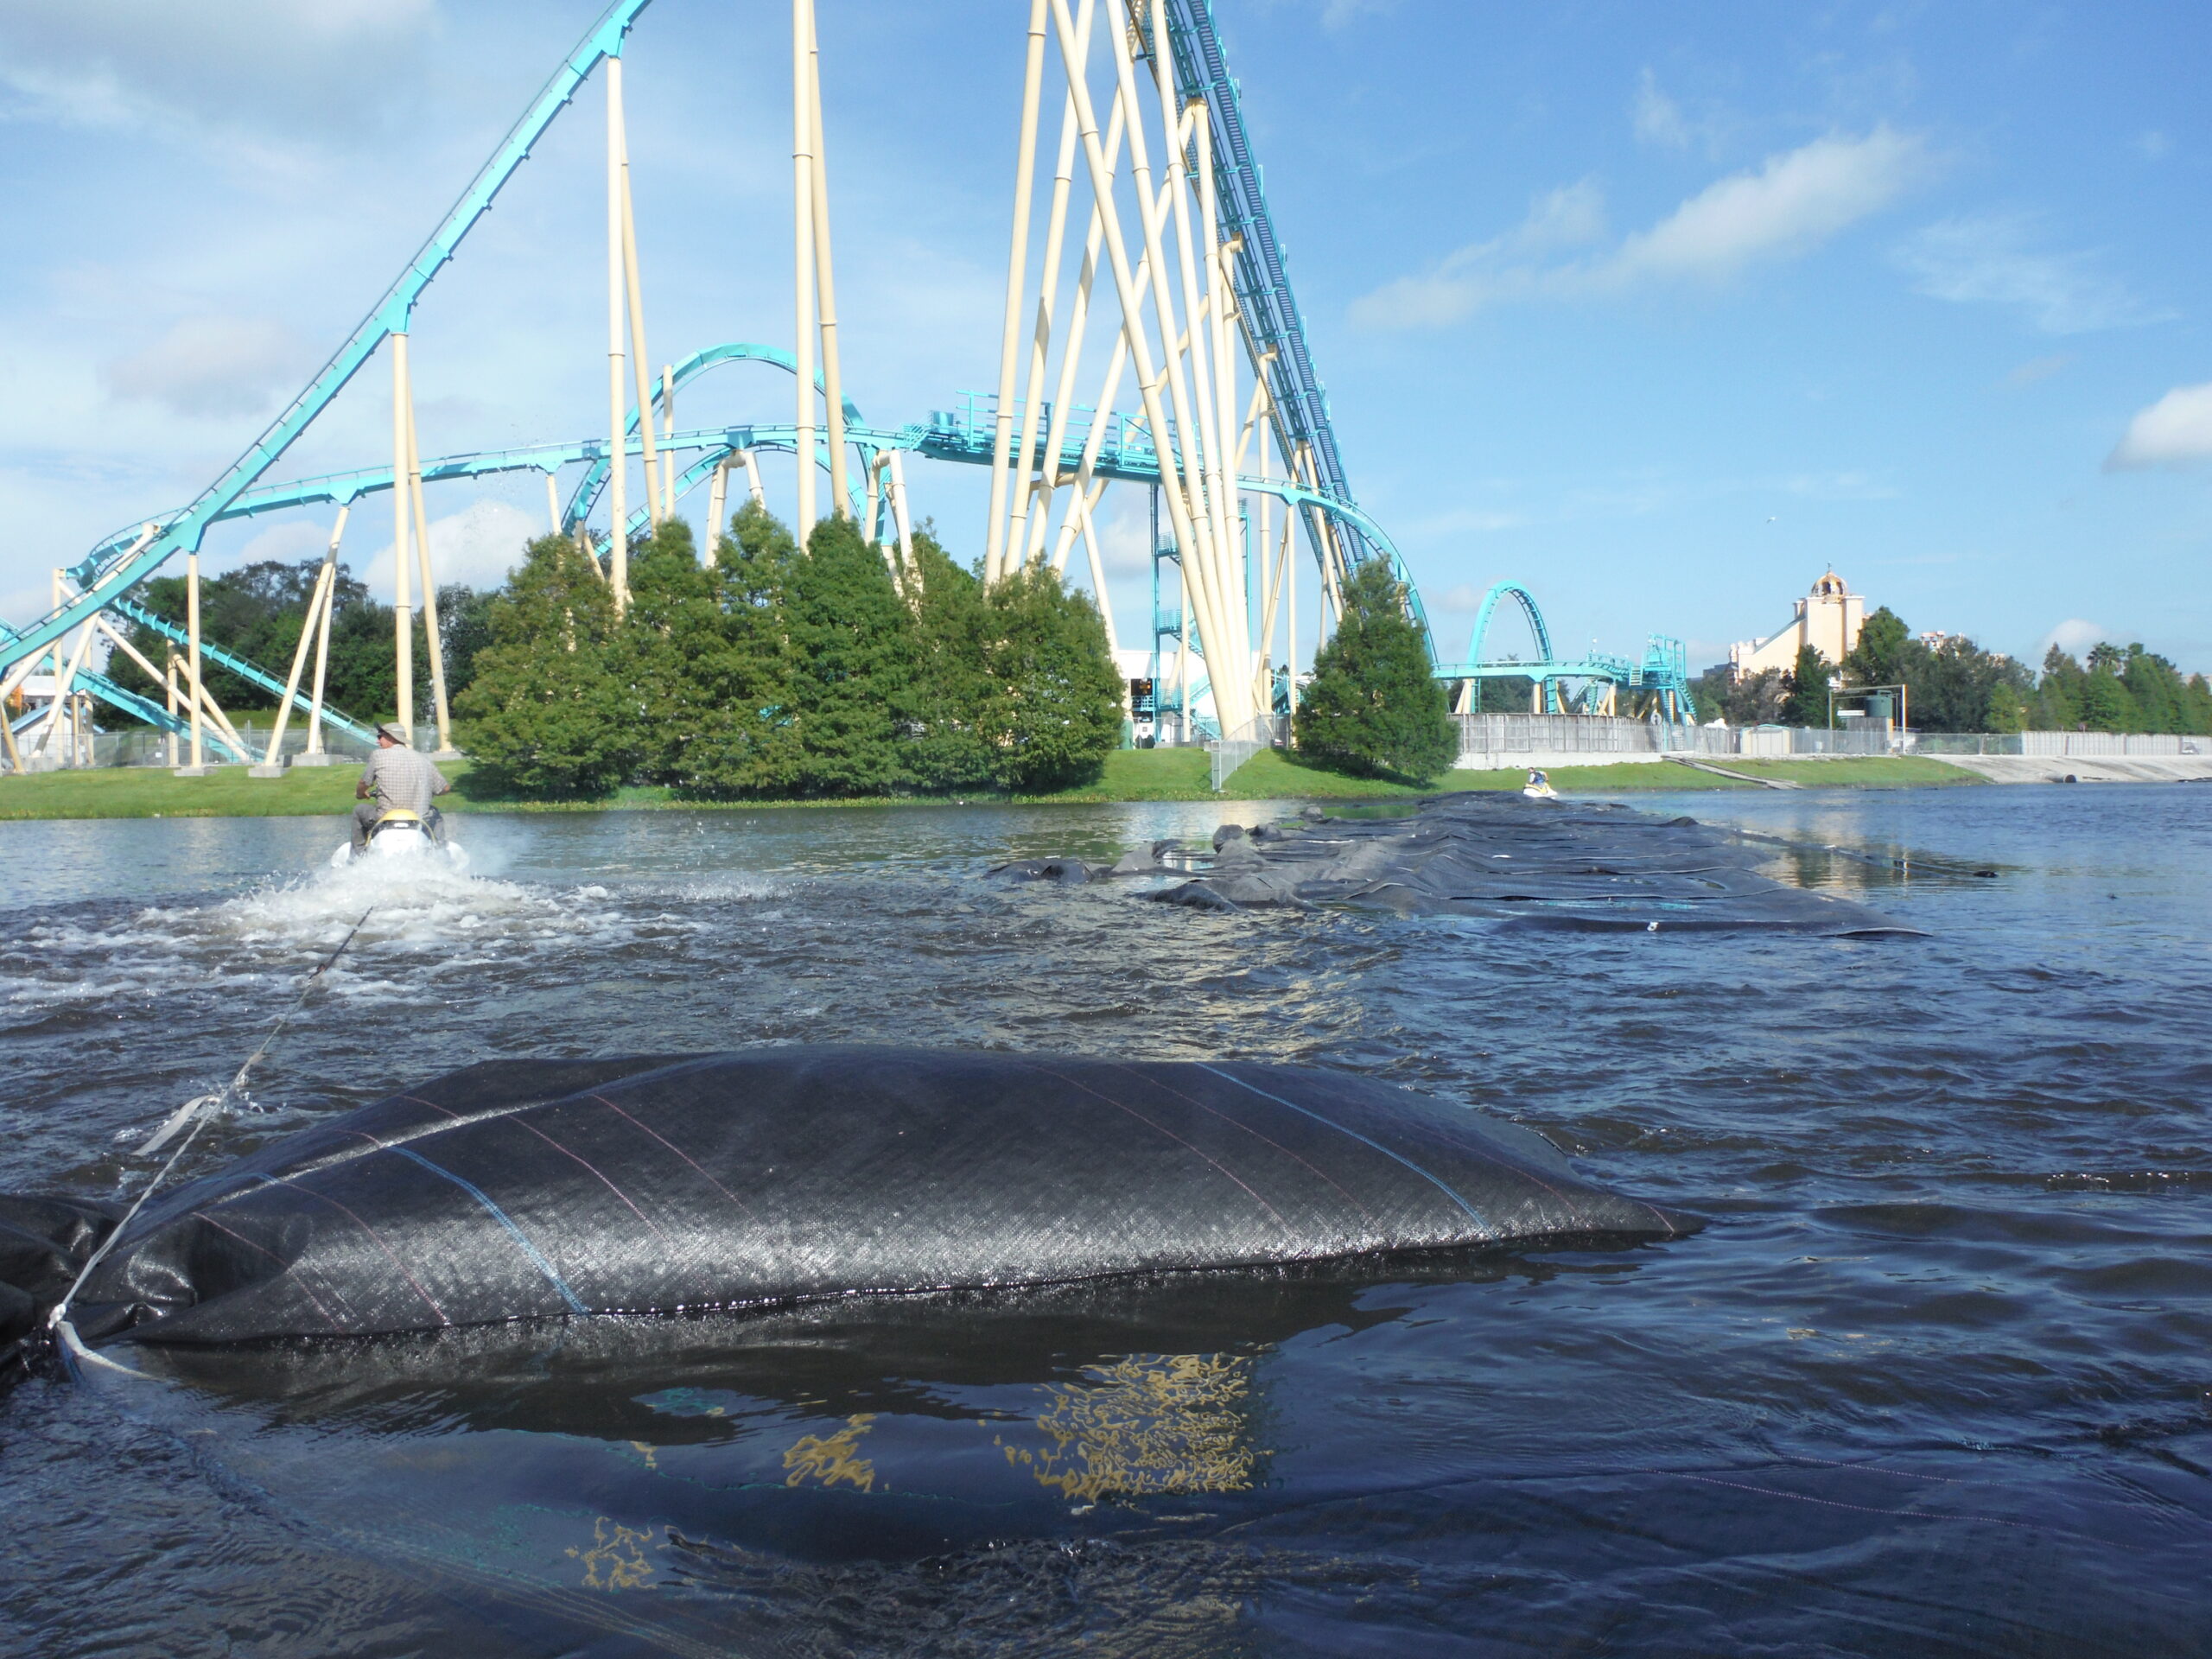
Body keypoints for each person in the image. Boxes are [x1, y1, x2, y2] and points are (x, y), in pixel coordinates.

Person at [353, 724, 450, 852]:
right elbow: (445, 788)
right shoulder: (423, 758)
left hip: (386, 818)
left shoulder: (378, 755)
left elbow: (364, 782)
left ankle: (357, 856)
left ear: (391, 737)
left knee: (359, 810)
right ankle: (442, 853)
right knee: (435, 813)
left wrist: (360, 794)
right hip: (419, 819)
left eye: (379, 736)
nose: (378, 740)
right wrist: (429, 791)